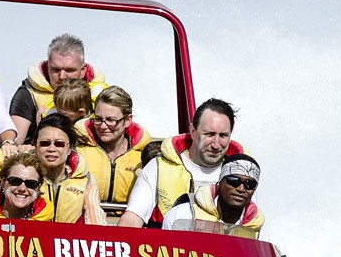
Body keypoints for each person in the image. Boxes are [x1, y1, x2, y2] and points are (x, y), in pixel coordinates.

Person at [118, 98, 248, 228]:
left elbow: (251, 227)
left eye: (223, 136)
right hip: (166, 246)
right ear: (193, 131)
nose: (216, 144)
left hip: (220, 247)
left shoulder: (244, 178)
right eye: (209, 134)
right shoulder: (158, 167)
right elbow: (132, 219)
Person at [3, 34, 105, 146]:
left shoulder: (101, 94)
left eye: (69, 70)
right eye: (55, 70)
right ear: (47, 67)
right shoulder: (28, 93)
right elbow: (15, 142)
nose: (62, 76)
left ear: (83, 70)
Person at [75, 85, 151, 218]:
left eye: (111, 120)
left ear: (127, 120)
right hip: (86, 221)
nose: (103, 126)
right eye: (98, 119)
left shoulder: (144, 156)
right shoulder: (78, 150)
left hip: (128, 224)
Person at [162, 155, 266, 237]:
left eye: (249, 184)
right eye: (233, 181)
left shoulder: (258, 228)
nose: (241, 189)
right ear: (219, 183)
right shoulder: (184, 213)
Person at [30, 113, 105, 224]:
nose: (51, 149)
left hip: (70, 239)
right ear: (35, 146)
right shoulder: (22, 176)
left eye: (59, 144)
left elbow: (95, 222)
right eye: (45, 143)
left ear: (69, 148)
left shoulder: (86, 180)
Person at [0, 149, 56, 221]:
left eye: (30, 183)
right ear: (3, 183)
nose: (22, 188)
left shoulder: (47, 225)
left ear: (38, 189)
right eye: (15, 181)